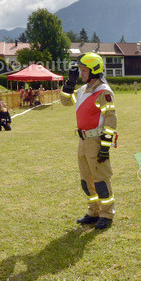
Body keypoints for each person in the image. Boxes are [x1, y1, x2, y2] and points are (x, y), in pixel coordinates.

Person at [60, 52, 117, 229]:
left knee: (101, 180)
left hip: (96, 141)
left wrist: (105, 146)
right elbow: (65, 102)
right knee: (86, 181)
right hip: (82, 141)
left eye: (84, 70)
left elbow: (111, 119)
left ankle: (107, 214)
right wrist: (70, 83)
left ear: (94, 70)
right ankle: (93, 211)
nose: (81, 73)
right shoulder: (83, 90)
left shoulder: (103, 92)